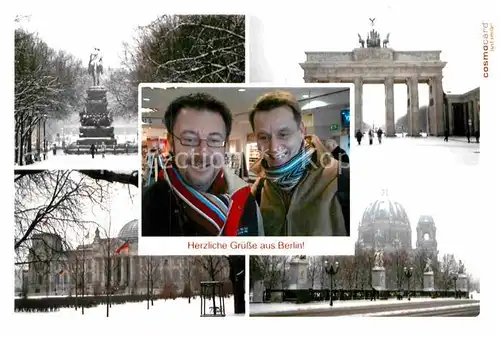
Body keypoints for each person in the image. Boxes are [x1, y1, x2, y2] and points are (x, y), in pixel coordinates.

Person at [142, 93, 264, 236]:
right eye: (189, 139)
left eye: (214, 140)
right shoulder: (147, 206)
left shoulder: (246, 201)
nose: (203, 153)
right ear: (171, 143)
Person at [249, 91, 347, 236]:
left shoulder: (344, 181)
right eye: (264, 137)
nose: (273, 147)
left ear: (301, 130)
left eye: (283, 134)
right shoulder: (258, 190)